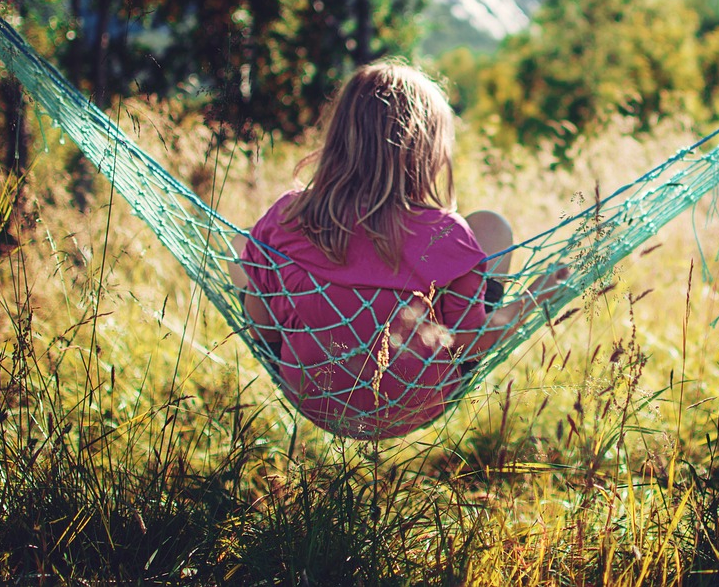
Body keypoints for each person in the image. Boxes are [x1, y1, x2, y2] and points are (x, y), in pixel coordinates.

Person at [228, 60, 564, 440]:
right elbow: (470, 344)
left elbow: (263, 329)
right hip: (413, 401)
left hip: (313, 392)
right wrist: (537, 296)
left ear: (338, 138)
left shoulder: (289, 215)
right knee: (492, 226)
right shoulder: (446, 234)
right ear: (428, 150)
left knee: (243, 243)